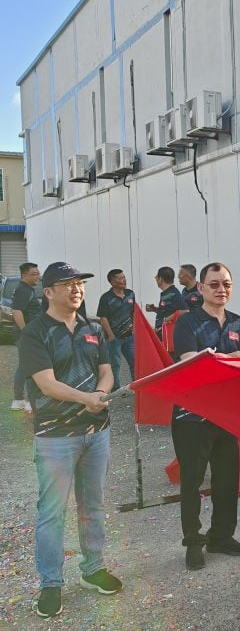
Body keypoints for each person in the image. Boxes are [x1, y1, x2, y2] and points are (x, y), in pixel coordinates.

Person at [19, 262, 122, 617]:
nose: (77, 289)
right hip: (56, 437)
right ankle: (51, 584)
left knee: (92, 507)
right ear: (48, 292)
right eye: (68, 284)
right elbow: (46, 383)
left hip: (97, 433)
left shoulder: (92, 328)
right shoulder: (36, 332)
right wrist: (87, 399)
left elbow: (106, 371)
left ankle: (93, 569)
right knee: (52, 513)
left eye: (79, 283)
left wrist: (100, 392)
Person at [171, 262, 240, 571]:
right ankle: (193, 542)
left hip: (227, 415)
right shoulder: (188, 323)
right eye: (215, 284)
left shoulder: (237, 322)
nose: (222, 289)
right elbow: (190, 360)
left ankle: (221, 536)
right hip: (192, 417)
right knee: (191, 482)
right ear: (201, 288)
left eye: (227, 284)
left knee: (227, 480)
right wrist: (228, 360)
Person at [96, 269, 136, 391]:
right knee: (115, 365)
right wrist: (111, 335)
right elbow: (103, 318)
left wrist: (134, 328)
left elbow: (134, 312)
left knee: (134, 362)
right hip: (114, 338)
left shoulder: (130, 294)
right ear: (112, 282)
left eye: (124, 277)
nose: (123, 280)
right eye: (119, 278)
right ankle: (116, 388)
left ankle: (137, 385)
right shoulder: (106, 298)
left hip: (130, 337)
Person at [10, 262, 42, 411]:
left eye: (38, 273)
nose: (38, 277)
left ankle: (19, 400)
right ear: (24, 275)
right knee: (30, 367)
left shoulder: (27, 289)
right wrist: (26, 333)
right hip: (26, 336)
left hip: (29, 335)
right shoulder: (23, 290)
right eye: (34, 274)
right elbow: (17, 311)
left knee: (24, 367)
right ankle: (29, 402)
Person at [146, 266, 188, 338]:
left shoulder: (173, 293)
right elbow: (168, 311)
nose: (155, 278)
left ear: (161, 279)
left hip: (168, 335)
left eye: (156, 276)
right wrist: (155, 309)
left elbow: (186, 311)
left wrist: (167, 319)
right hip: (161, 333)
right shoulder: (166, 293)